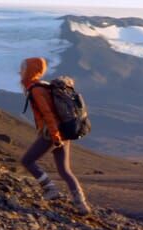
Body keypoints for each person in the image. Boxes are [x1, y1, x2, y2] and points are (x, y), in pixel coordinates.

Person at [19, 57, 91, 215]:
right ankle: (81, 204)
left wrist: (55, 135)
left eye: (23, 68)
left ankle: (50, 189)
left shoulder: (36, 89)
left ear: (31, 70)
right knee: (65, 170)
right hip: (62, 132)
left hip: (52, 133)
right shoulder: (44, 86)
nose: (20, 71)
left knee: (27, 160)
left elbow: (48, 114)